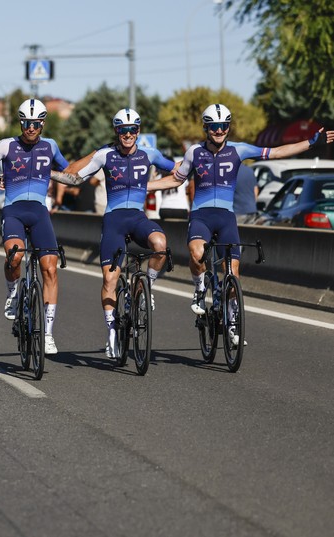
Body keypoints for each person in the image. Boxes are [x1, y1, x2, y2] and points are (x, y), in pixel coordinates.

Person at [154, 103, 334, 345]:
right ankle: (198, 290)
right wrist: (142, 187)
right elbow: (175, 180)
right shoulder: (194, 152)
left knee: (233, 273)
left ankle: (231, 320)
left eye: (224, 126)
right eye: (215, 126)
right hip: (201, 216)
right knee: (197, 254)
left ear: (229, 126)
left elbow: (277, 152)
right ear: (206, 128)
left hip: (227, 217)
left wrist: (311, 143)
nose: (219, 131)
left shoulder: (240, 150)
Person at [0, 99, 78, 355]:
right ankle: (12, 293)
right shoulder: (6, 146)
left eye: (35, 123)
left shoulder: (50, 146)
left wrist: (51, 173)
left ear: (42, 123)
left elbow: (71, 176)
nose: (30, 128)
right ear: (20, 122)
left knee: (51, 268)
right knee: (15, 256)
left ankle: (48, 333)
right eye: (25, 123)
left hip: (40, 213)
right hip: (14, 211)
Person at [64, 108, 179, 357]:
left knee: (160, 244)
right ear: (116, 132)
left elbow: (178, 172)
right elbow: (74, 178)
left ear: (138, 131)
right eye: (122, 130)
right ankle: (112, 333)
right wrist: (46, 175)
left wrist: (151, 186)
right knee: (110, 280)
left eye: (132, 130)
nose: (128, 134)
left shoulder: (150, 154)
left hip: (138, 218)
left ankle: (147, 285)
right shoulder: (105, 155)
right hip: (114, 220)